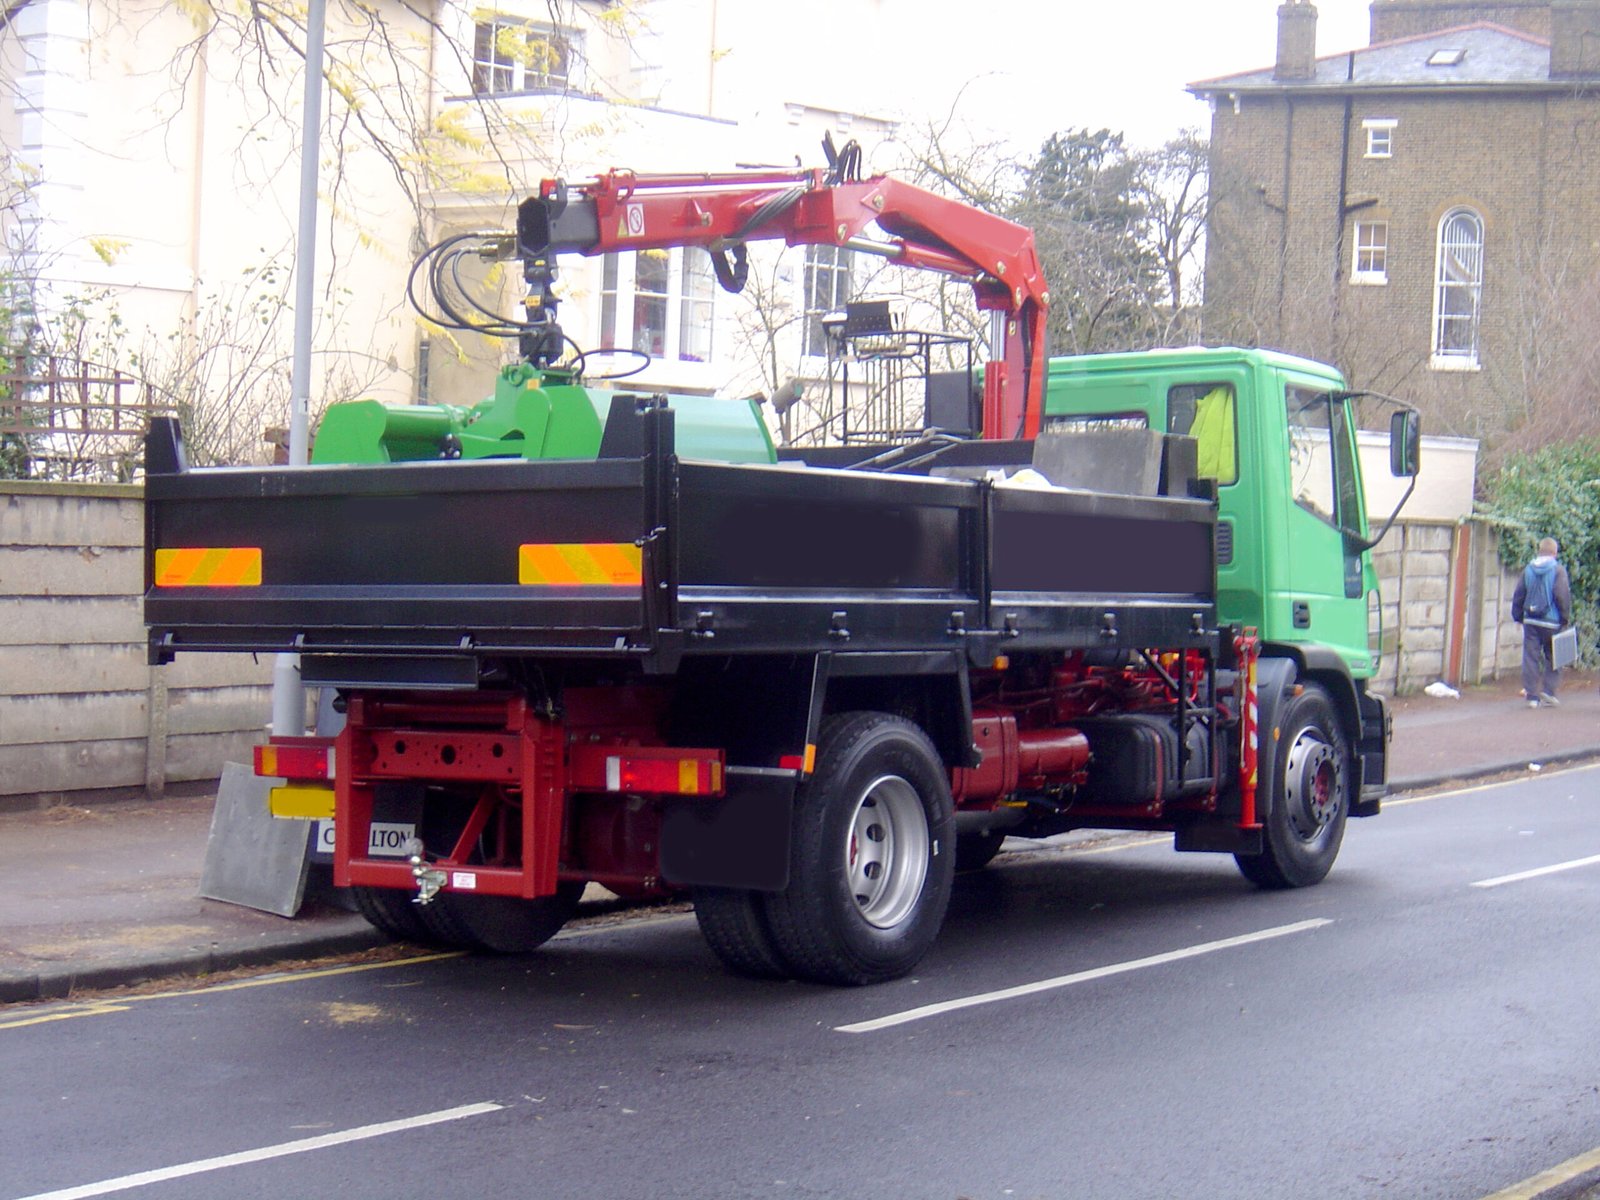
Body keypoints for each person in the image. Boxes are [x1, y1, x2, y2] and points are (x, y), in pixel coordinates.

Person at [1510, 537, 1572, 707]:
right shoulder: (1558, 570)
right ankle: (1549, 691)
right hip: (1551, 621)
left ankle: (1531, 696)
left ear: (1539, 550)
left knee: (1530, 657)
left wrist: (1518, 616)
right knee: (1554, 656)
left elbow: (1519, 594)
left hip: (1531, 620)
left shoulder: (1528, 569)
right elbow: (1562, 595)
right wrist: (1564, 618)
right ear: (1554, 552)